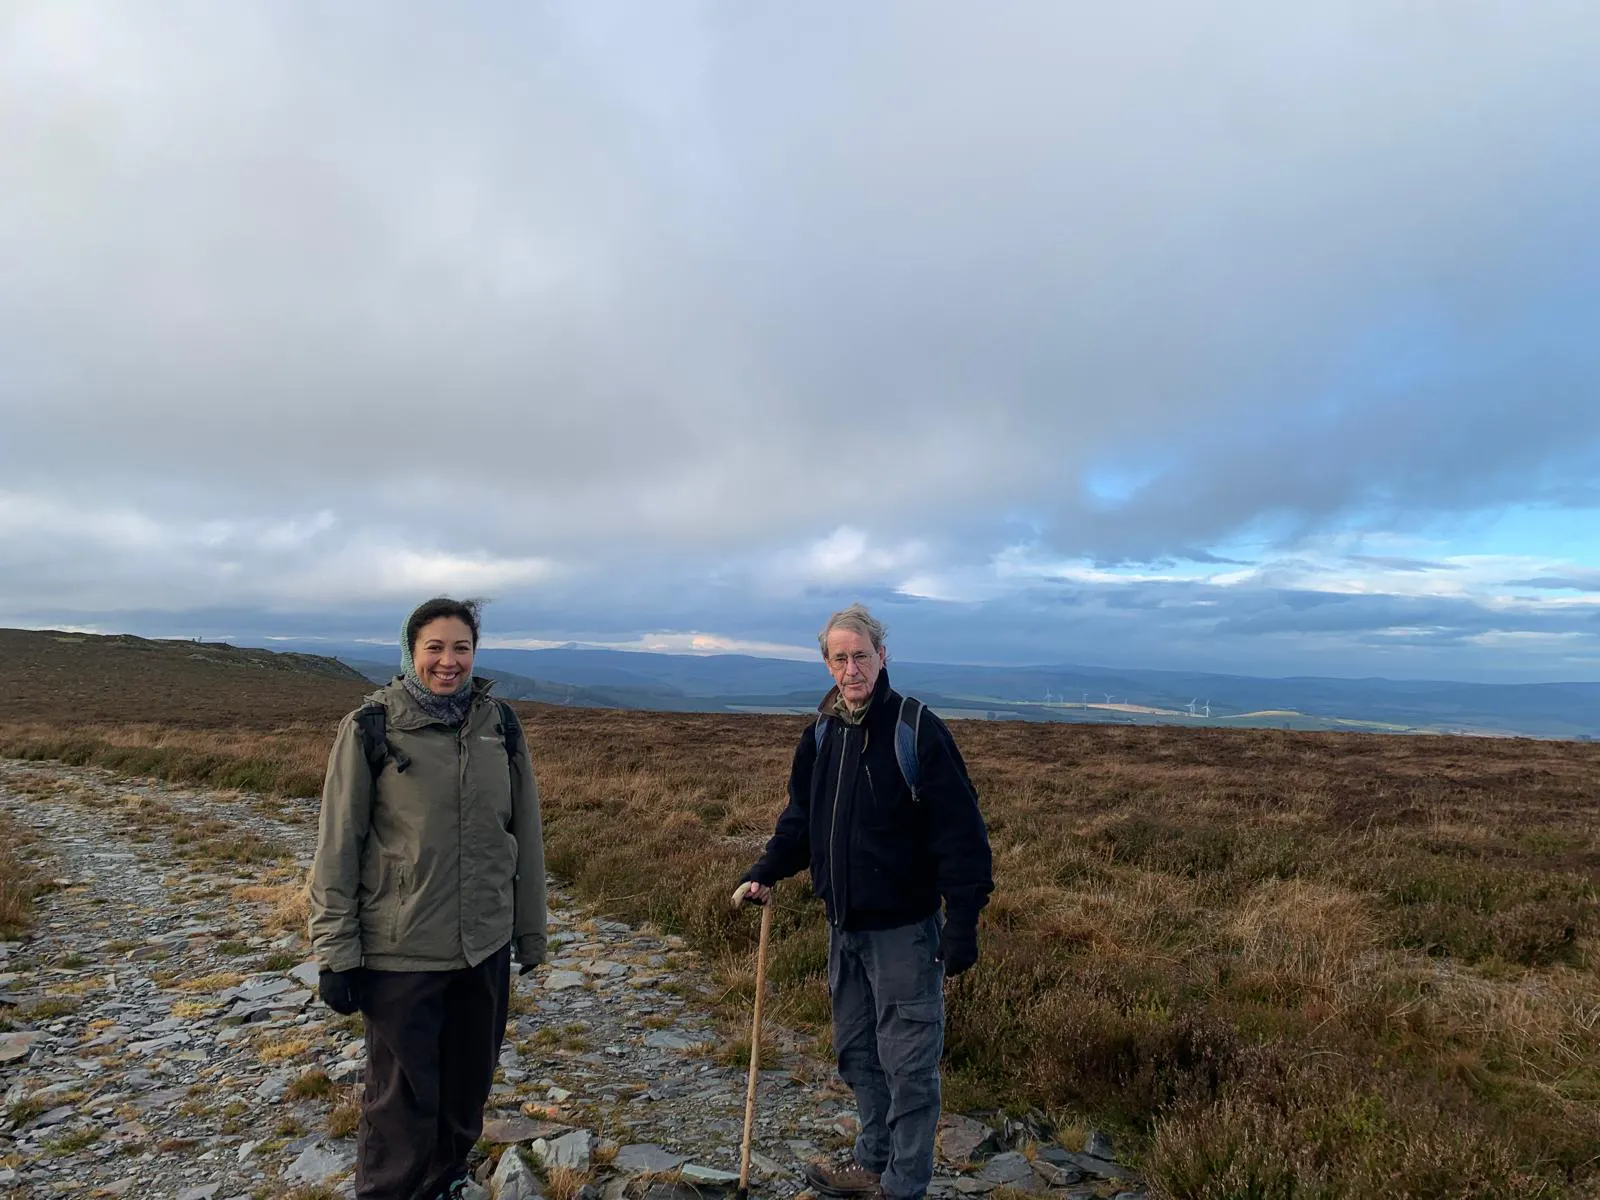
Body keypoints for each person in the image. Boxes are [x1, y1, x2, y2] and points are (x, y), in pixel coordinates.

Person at [733, 603, 993, 1200]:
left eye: (862, 656)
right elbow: (802, 818)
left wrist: (964, 921)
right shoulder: (822, 734)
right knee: (858, 1053)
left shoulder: (914, 730)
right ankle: (872, 1161)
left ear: (882, 657)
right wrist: (768, 869)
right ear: (828, 664)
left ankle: (902, 1186)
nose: (852, 669)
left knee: (908, 1063)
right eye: (840, 658)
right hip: (843, 925)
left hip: (905, 931)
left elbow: (962, 834)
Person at [309, 597, 548, 1200]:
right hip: (402, 948)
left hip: (483, 945)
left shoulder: (501, 726)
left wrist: (529, 931)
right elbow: (338, 844)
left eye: (461, 647)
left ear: (475, 652)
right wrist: (337, 952)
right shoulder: (371, 726)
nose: (449, 661)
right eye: (435, 648)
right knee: (402, 1102)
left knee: (466, 1089)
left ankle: (446, 1182)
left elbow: (524, 833)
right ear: (411, 652)